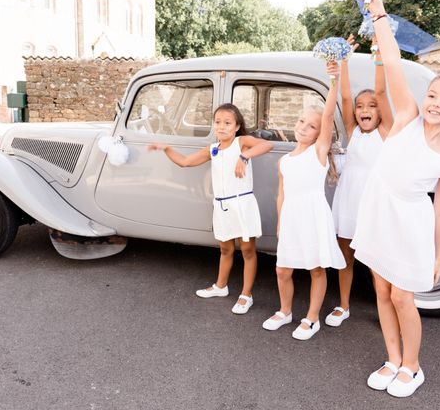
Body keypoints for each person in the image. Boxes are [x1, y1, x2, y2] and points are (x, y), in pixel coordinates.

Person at [351, 0, 440, 397]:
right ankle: (392, 358)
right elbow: (391, 59)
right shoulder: (406, 115)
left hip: (411, 224)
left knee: (404, 295)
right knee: (381, 290)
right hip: (378, 215)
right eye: (433, 94)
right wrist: (378, 10)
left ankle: (412, 366)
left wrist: (438, 254)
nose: (436, 102)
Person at [148, 103, 273, 314]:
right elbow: (186, 162)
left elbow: (265, 145)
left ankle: (246, 295)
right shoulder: (213, 149)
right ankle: (221, 286)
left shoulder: (241, 142)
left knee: (248, 251)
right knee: (225, 249)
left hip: (241, 203)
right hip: (222, 205)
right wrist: (167, 149)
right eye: (218, 122)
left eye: (227, 123)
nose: (222, 127)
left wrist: (244, 156)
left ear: (236, 126)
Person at [262, 62, 346, 340]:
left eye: (312, 126)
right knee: (282, 269)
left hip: (313, 214)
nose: (304, 127)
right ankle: (285, 311)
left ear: (319, 133)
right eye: (301, 122)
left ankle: (312, 318)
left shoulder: (318, 152)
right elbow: (281, 193)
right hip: (292, 217)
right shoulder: (285, 160)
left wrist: (334, 78)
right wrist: (280, 222)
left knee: (315, 268)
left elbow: (330, 112)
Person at [326, 34, 393, 327]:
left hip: (374, 204)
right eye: (360, 106)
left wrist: (378, 52)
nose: (364, 110)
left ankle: (386, 309)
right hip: (348, 200)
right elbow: (344, 96)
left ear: (380, 110)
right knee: (346, 256)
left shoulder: (386, 132)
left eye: (371, 106)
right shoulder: (352, 131)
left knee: (379, 261)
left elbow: (381, 89)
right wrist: (343, 61)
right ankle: (343, 305)